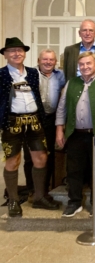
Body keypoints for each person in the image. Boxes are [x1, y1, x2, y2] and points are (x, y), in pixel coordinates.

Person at [55, 52, 95, 217]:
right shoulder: (71, 83)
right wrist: (59, 129)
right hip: (75, 134)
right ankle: (74, 202)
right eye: (82, 64)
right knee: (74, 170)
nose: (85, 67)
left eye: (88, 63)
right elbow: (62, 108)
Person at [1, 38, 59, 217]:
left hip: (34, 121)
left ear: (25, 53)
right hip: (12, 122)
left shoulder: (33, 73)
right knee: (13, 160)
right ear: (5, 55)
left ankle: (39, 196)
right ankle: (13, 200)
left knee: (41, 158)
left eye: (19, 50)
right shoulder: (1, 74)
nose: (16, 53)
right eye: (12, 51)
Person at [37, 49, 66, 192]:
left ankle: (46, 186)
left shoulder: (61, 76)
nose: (48, 62)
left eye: (51, 60)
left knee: (49, 153)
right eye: (45, 59)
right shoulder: (31, 74)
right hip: (34, 118)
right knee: (33, 155)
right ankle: (33, 189)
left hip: (52, 119)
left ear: (55, 62)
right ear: (38, 61)